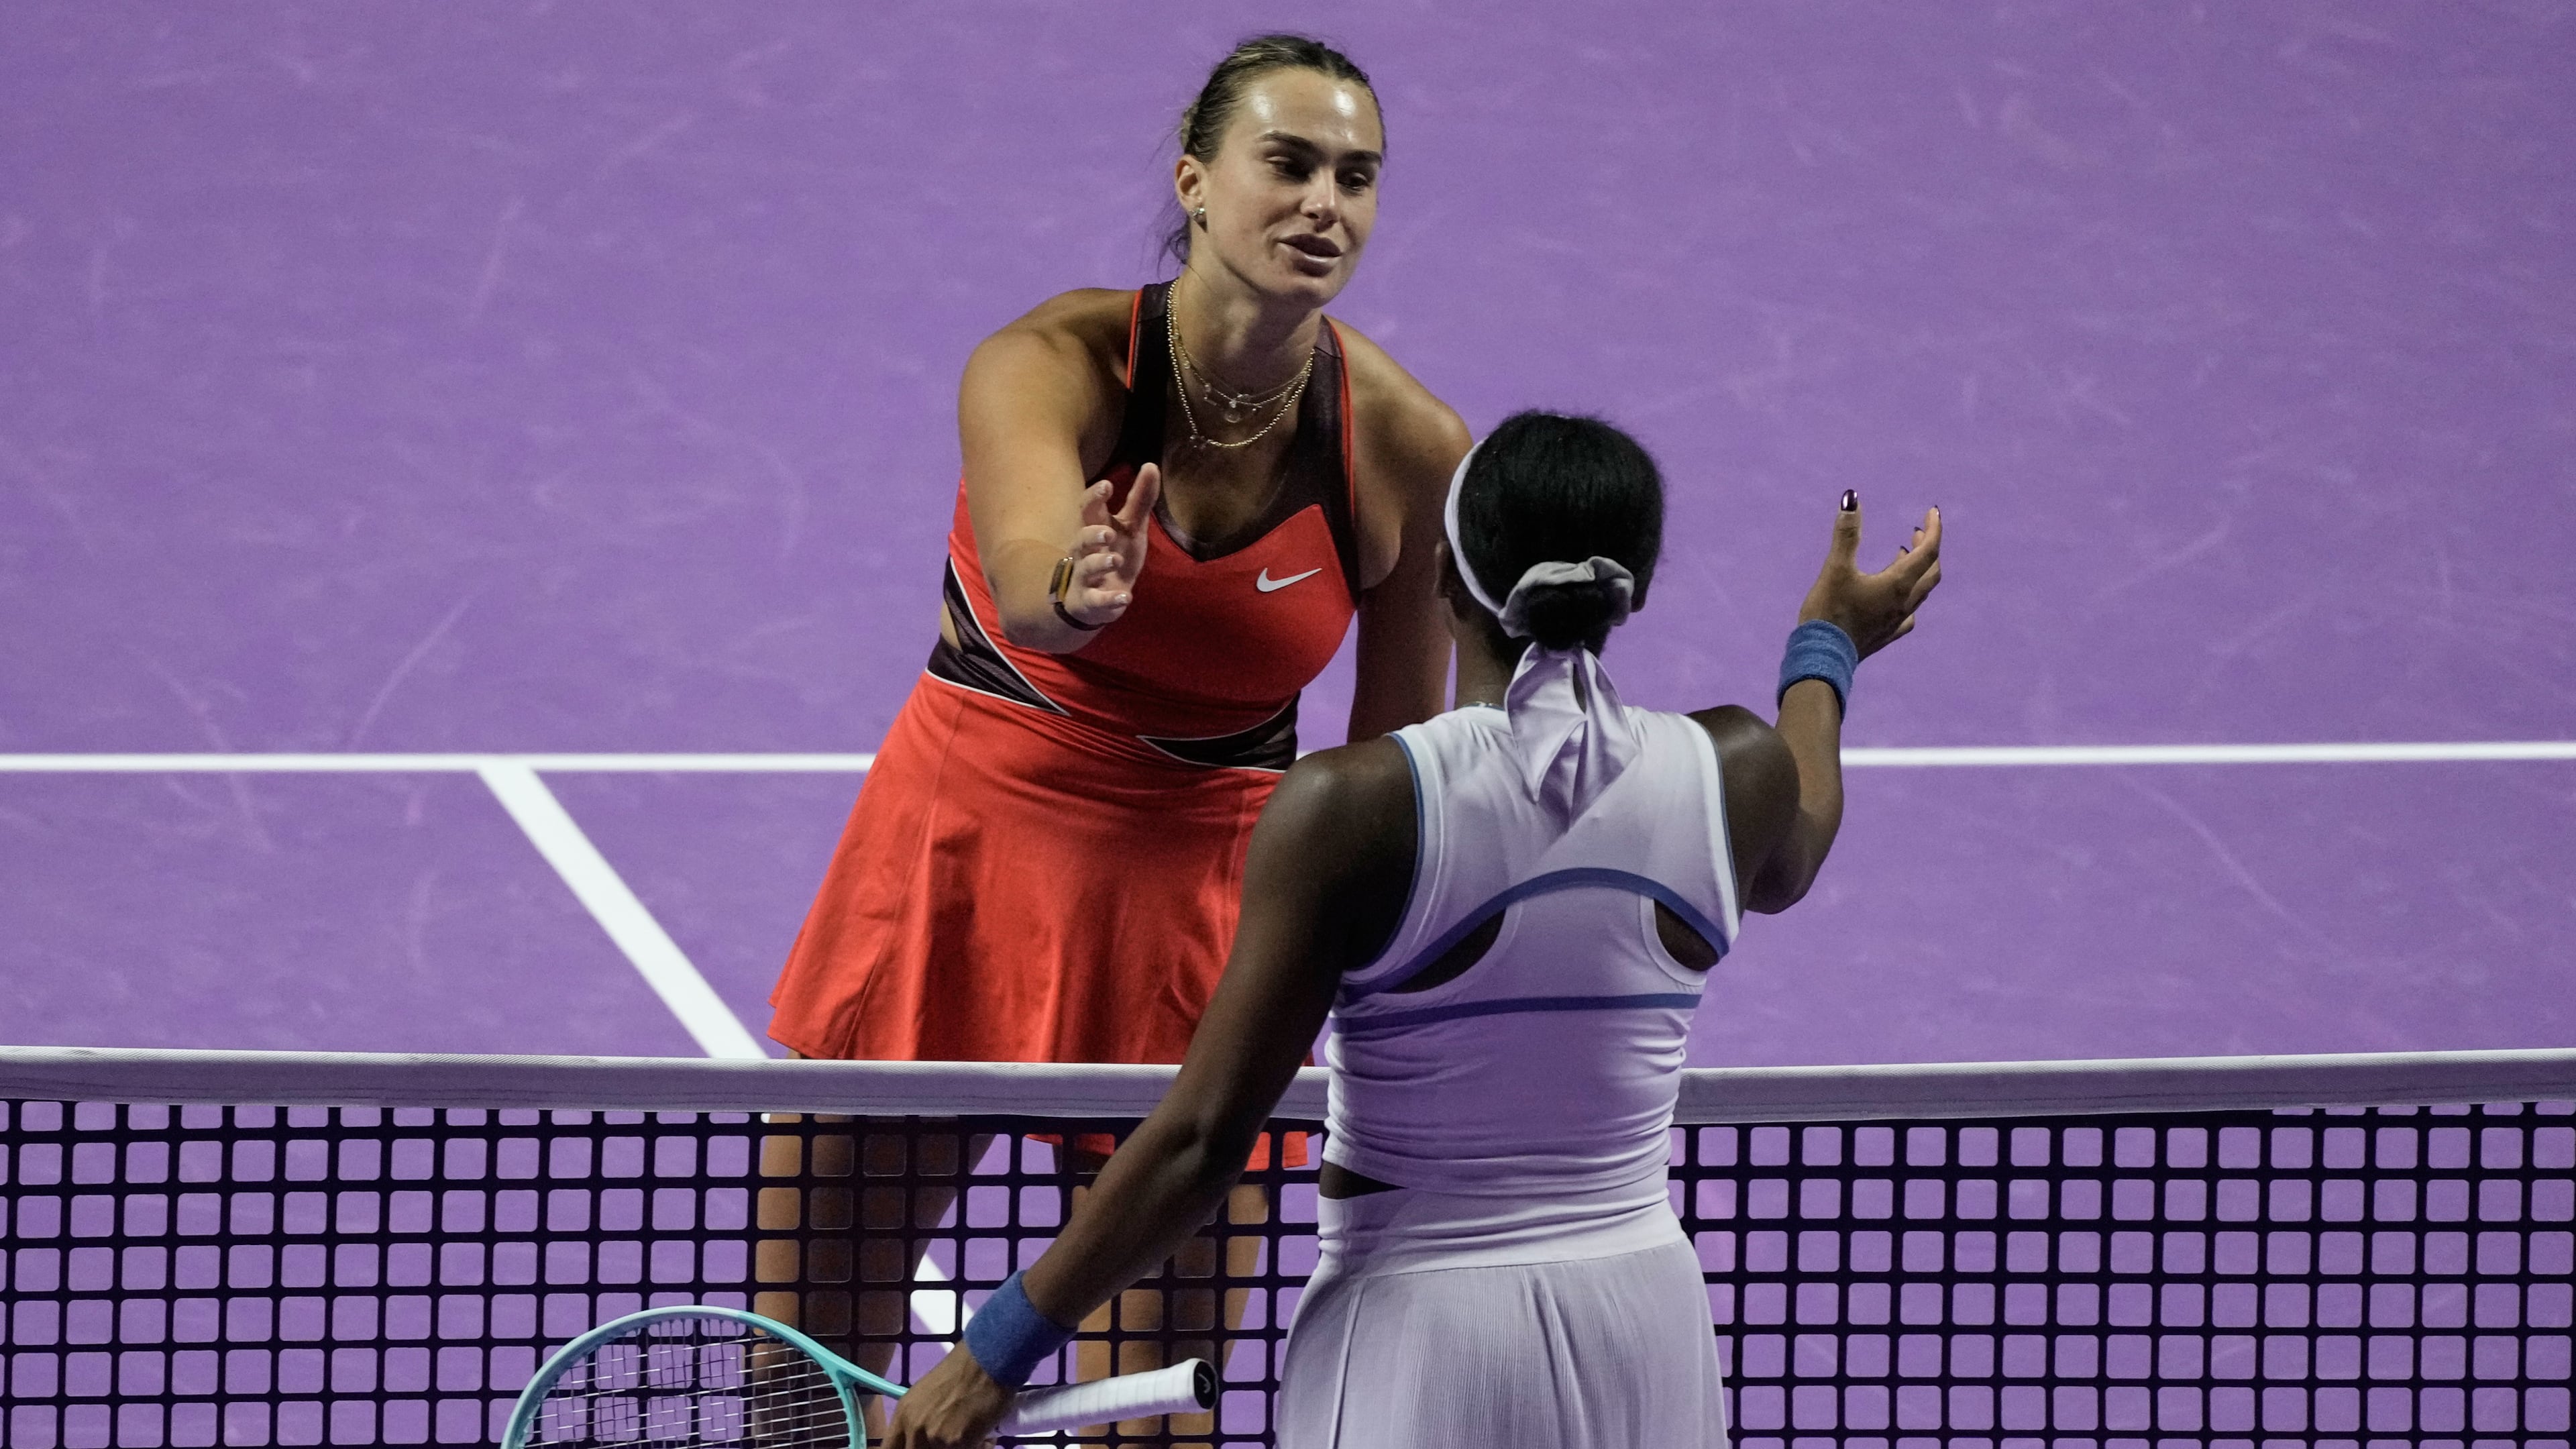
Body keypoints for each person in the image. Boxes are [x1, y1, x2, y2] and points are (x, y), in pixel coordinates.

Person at [881, 411, 1946, 1448]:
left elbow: (1203, 1143)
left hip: (1420, 1340)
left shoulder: (1359, 806)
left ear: (1442, 579)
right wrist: (1829, 647)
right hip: (1646, 1323)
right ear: (1633, 590)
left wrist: (992, 1354)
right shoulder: (1734, 772)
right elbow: (1800, 841)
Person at [759, 31, 1466, 1426]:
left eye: (1357, 176)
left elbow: (1393, 770)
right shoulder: (1052, 360)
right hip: (951, 870)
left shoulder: (1407, 446)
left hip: (1202, 924)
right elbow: (1029, 588)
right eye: (1290, 164)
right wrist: (1079, 599)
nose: (1326, 202)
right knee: (800, 1390)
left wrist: (1373, 996)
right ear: (1198, 184)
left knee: (1153, 1423)